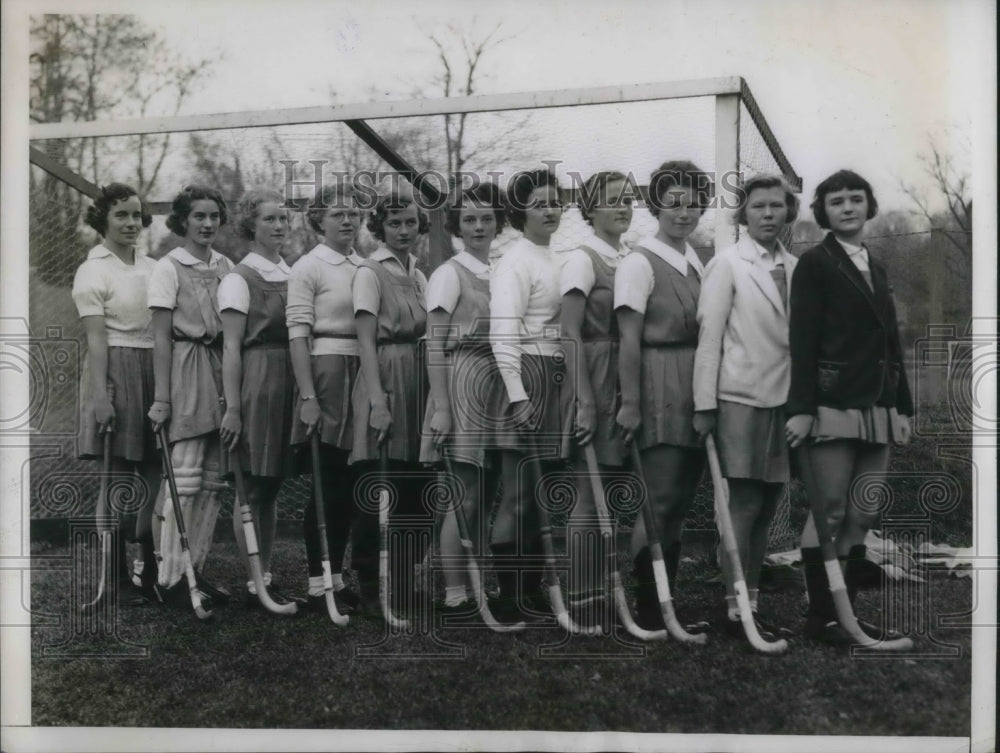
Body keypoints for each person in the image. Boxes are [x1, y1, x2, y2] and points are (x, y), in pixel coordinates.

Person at [785, 169, 912, 645]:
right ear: (823, 211)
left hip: (878, 404)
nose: (847, 207)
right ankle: (824, 619)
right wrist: (801, 407)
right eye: (836, 201)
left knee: (862, 512)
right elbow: (802, 340)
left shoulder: (875, 266)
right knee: (830, 511)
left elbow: (891, 342)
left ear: (868, 205)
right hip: (830, 402)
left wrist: (902, 408)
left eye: (856, 198)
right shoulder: (815, 263)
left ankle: (848, 614)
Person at [693, 173, 799, 641]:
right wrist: (704, 404)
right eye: (759, 207)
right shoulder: (728, 263)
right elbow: (709, 338)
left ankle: (751, 600)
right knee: (746, 504)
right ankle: (735, 605)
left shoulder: (797, 266)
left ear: (788, 213)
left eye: (777, 206)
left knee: (770, 503)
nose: (769, 215)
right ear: (743, 214)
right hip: (739, 397)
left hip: (785, 400)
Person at [614, 160, 711, 633]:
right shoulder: (639, 261)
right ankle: (648, 606)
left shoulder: (695, 259)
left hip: (694, 382)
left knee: (680, 499)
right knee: (660, 499)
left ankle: (665, 599)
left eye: (693, 202)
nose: (684, 211)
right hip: (658, 380)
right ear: (656, 206)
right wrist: (630, 402)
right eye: (674, 202)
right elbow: (628, 339)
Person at [487, 168, 572, 625]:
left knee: (543, 493)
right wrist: (518, 395)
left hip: (555, 376)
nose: (550, 209)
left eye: (555, 201)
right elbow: (503, 332)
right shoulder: (514, 260)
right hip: (522, 379)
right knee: (517, 494)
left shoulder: (556, 258)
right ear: (520, 212)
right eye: (539, 202)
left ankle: (534, 588)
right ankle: (507, 593)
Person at [420, 180, 505, 619]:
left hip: (497, 383)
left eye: (487, 218)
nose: (478, 226)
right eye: (469, 219)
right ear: (456, 225)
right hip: (461, 381)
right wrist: (441, 407)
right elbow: (434, 344)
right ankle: (454, 590)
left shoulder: (502, 269)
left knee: (487, 491)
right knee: (462, 493)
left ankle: (477, 580)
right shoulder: (448, 274)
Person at [73, 182, 161, 605]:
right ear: (103, 220)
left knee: (156, 472)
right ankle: (116, 579)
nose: (131, 223)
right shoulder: (94, 269)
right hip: (114, 370)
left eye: (136, 215)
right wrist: (102, 397)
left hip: (153, 369)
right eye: (121, 215)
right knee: (117, 480)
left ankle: (153, 567)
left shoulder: (153, 266)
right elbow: (96, 341)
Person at [147, 185, 233, 605]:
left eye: (214, 216)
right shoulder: (168, 267)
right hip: (186, 367)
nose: (207, 224)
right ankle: (168, 577)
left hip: (221, 370)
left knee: (214, 479)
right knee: (183, 475)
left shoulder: (225, 265)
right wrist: (162, 398)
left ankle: (194, 572)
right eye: (199, 216)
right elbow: (161, 337)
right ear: (183, 220)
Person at [350, 187, 431, 617]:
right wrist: (378, 402)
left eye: (410, 222)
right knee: (378, 486)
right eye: (394, 223)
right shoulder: (368, 271)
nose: (403, 230)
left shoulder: (419, 274)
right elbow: (364, 340)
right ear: (380, 226)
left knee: (416, 487)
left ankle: (401, 580)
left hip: (418, 380)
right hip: (382, 374)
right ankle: (369, 587)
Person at [287, 183, 365, 614]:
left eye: (354, 213)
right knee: (328, 480)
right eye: (338, 214)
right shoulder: (308, 267)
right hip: (326, 371)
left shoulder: (365, 265)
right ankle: (319, 584)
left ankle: (339, 576)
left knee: (352, 485)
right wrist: (308, 395)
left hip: (363, 372)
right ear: (319, 220)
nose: (348, 220)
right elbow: (298, 335)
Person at [559, 170, 633, 628]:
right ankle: (582, 596)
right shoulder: (582, 260)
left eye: (627, 199)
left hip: (627, 373)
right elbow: (568, 333)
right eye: (611, 201)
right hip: (594, 374)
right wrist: (585, 400)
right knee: (590, 492)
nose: (622, 207)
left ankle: (608, 585)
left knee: (617, 490)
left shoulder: (630, 257)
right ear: (590, 210)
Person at [218, 188, 299, 607]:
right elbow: (231, 348)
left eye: (284, 218)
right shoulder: (238, 278)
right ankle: (255, 580)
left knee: (272, 485)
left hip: (292, 380)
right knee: (250, 486)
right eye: (270, 219)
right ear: (251, 225)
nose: (280, 225)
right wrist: (233, 407)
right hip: (257, 381)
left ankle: (263, 573)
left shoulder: (293, 273)